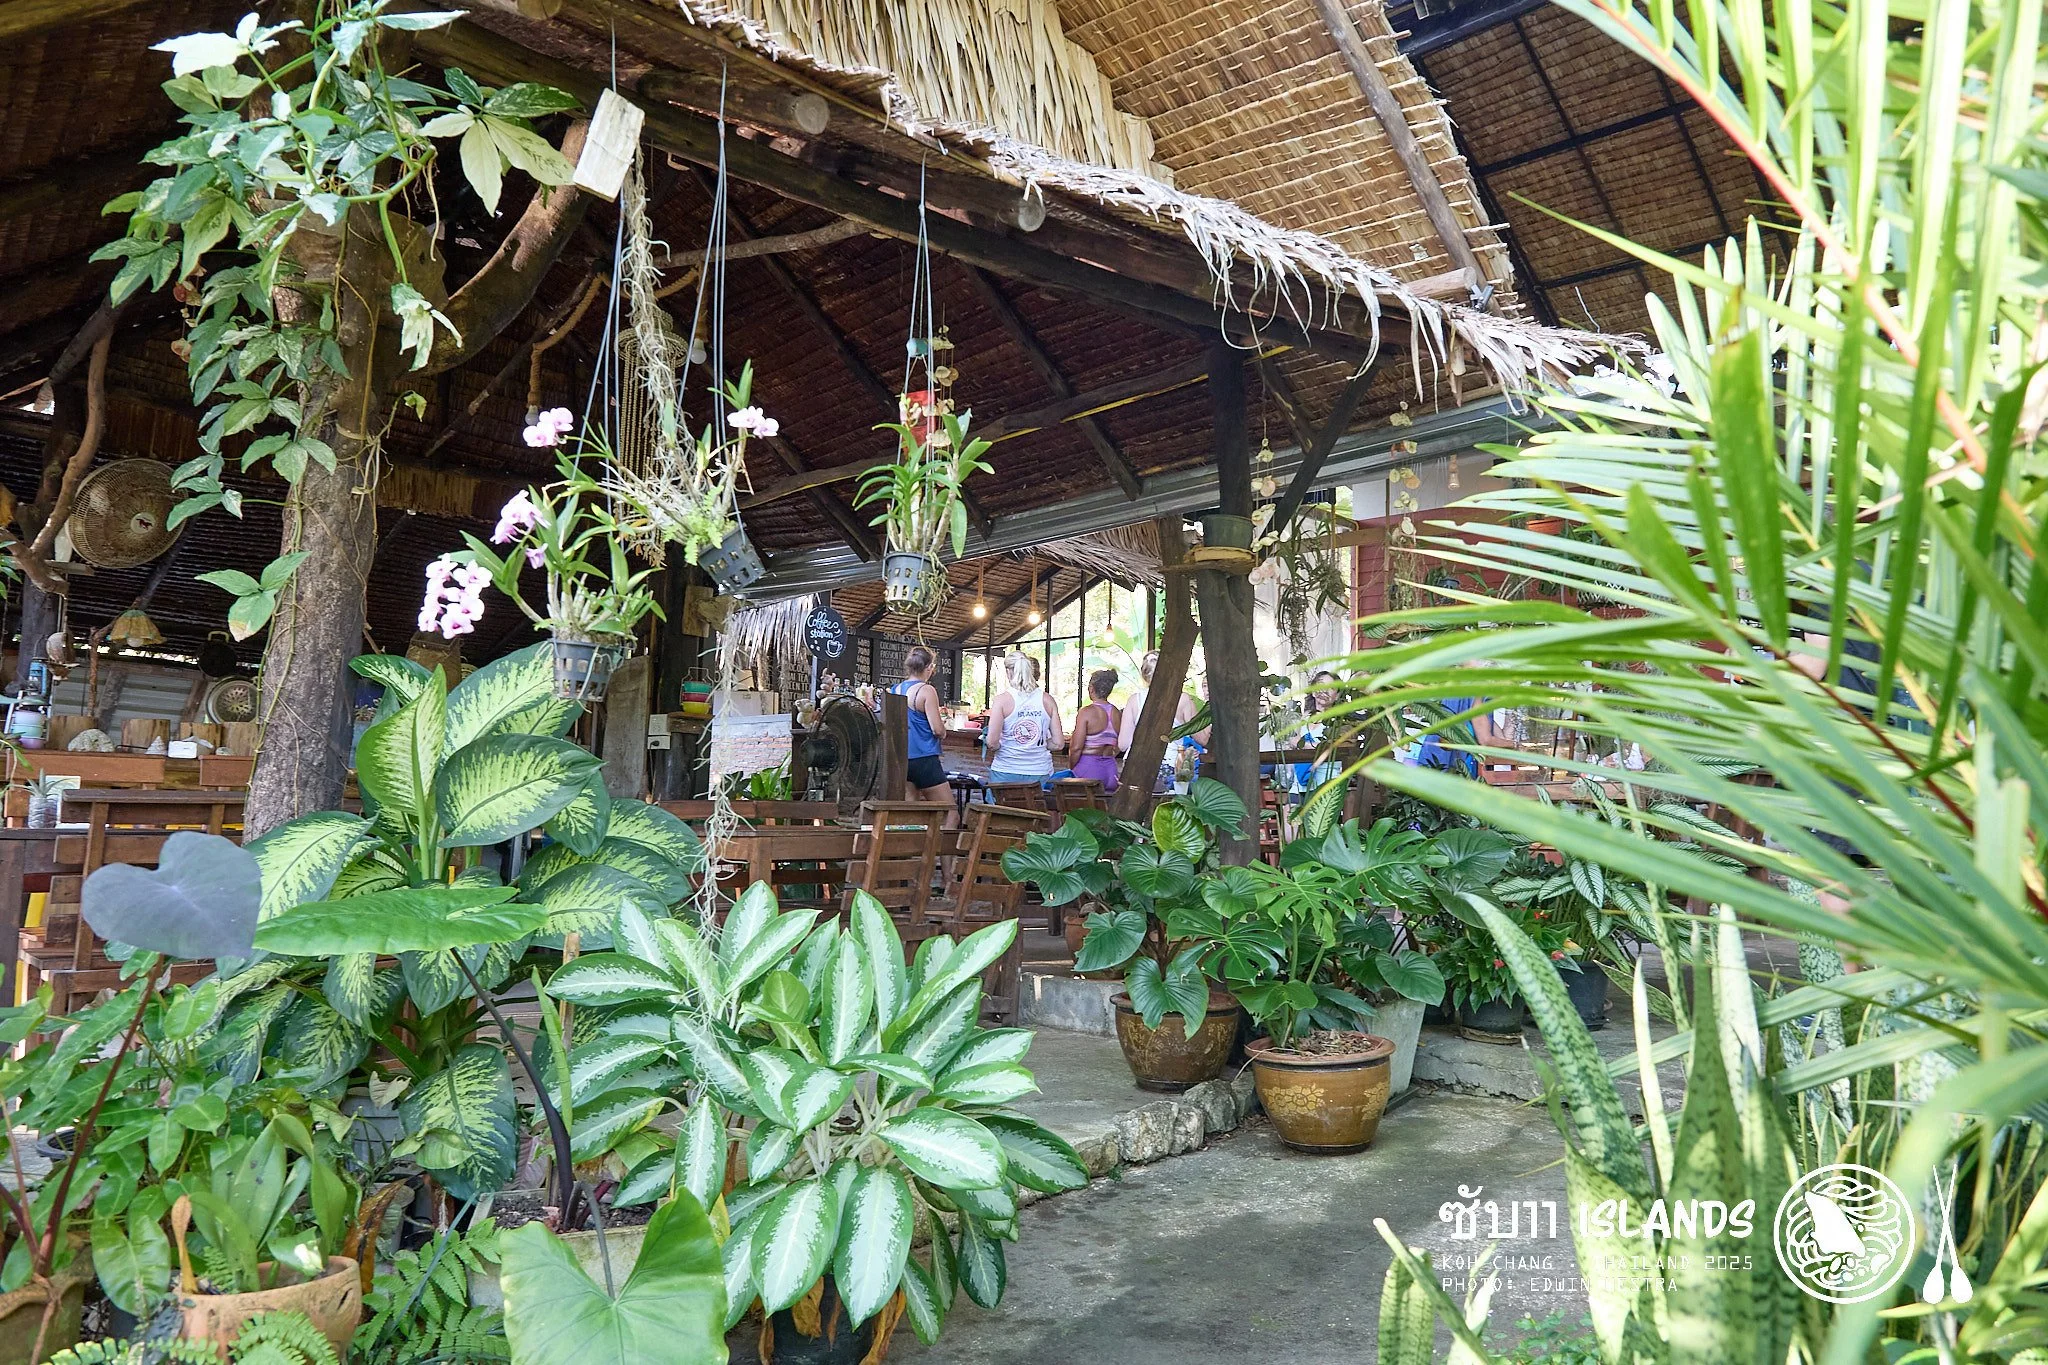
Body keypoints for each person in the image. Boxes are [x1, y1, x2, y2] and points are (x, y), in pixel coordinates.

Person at [1117, 650, 1200, 793]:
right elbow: (1201, 737)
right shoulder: (1182, 699)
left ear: (1144, 675)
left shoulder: (1133, 700)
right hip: (1169, 767)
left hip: (1134, 768)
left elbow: (1123, 745)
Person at [889, 647, 953, 817]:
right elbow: (937, 729)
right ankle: (946, 844)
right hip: (924, 760)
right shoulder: (926, 690)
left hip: (902, 760)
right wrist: (944, 730)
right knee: (950, 815)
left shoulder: (895, 689)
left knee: (911, 817)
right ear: (929, 667)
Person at [985, 652, 1062, 787]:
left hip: (1005, 770)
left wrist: (1004, 745)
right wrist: (1036, 743)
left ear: (1009, 672)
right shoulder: (1048, 700)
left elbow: (992, 742)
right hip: (1039, 771)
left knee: (1001, 809)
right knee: (1036, 808)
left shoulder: (1002, 701)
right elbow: (1058, 743)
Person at [1069, 668, 1122, 793]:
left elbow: (1076, 748)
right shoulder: (1116, 712)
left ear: (1091, 688)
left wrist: (1072, 769)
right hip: (1111, 770)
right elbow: (1119, 744)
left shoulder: (1086, 712)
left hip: (1089, 769)